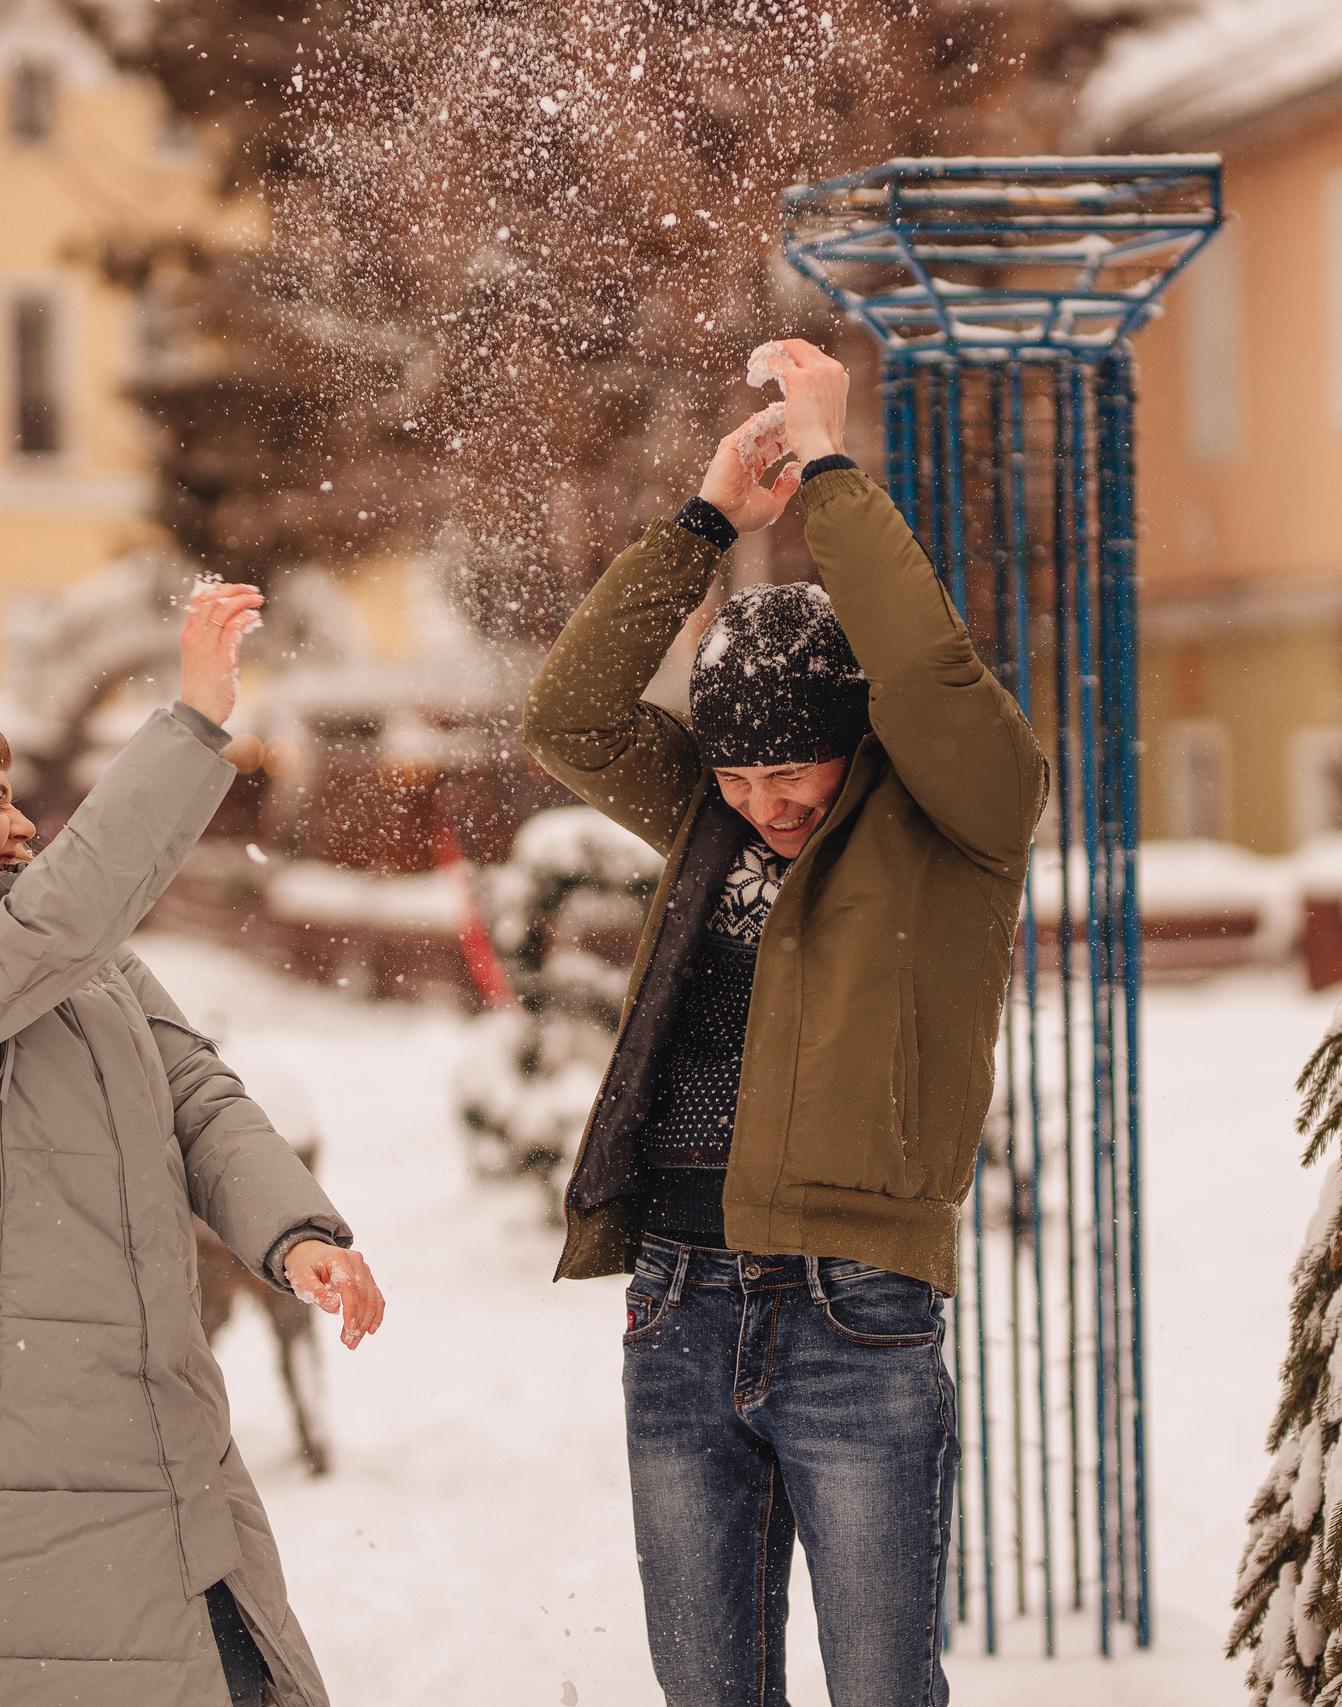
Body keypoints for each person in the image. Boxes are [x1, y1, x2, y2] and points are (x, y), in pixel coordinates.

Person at [0, 583, 386, 1707]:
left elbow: (193, 1091)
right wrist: (191, 724)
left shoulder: (48, 937)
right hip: (5, 1483)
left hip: (163, 1436)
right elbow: (53, 929)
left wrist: (291, 1231)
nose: (25, 825)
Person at [522, 340, 1046, 1706]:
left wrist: (829, 473)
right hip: (679, 1301)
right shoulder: (709, 817)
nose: (769, 799)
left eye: (795, 762)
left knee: (884, 1689)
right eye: (740, 769)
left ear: (853, 737)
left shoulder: (956, 824)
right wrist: (704, 522)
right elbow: (570, 715)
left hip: (853, 1312)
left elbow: (933, 681)